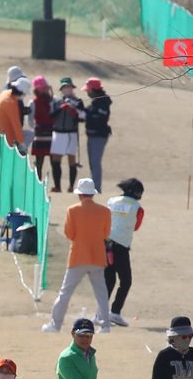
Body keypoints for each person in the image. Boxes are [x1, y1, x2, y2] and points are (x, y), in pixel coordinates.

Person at [42, 178, 113, 333]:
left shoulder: (73, 210)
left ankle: (55, 324)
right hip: (97, 256)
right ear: (92, 194)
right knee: (101, 293)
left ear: (80, 194)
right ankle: (105, 325)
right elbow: (106, 233)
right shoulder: (105, 211)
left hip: (78, 256)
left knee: (65, 292)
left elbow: (69, 233)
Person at [102, 178, 144, 327]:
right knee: (126, 281)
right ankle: (115, 312)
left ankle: (101, 311)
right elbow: (136, 226)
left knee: (109, 279)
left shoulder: (111, 201)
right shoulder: (138, 208)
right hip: (121, 246)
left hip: (105, 243)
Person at [48, 77, 85, 192]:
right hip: (58, 132)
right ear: (61, 89)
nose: (67, 89)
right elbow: (51, 116)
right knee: (56, 160)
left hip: (71, 133)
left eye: (69, 87)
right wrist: (61, 108)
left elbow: (82, 117)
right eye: (64, 87)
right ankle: (57, 186)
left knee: (71, 160)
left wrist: (73, 110)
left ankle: (71, 186)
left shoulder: (78, 101)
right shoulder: (56, 101)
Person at [83, 78, 112, 193]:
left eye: (89, 90)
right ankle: (94, 187)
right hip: (92, 135)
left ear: (95, 90)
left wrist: (86, 113)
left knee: (95, 162)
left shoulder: (103, 102)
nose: (87, 92)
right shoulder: (95, 102)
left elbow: (99, 118)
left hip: (99, 136)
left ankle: (96, 188)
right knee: (92, 163)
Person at [0, 76, 30, 155]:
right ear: (21, 92)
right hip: (6, 139)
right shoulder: (10, 102)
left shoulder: (5, 94)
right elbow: (16, 124)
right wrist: (22, 143)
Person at [29, 76, 55, 184]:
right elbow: (30, 119)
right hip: (40, 137)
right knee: (39, 162)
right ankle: (37, 182)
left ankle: (56, 184)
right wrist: (36, 128)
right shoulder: (33, 102)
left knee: (54, 162)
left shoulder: (53, 101)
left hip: (52, 136)